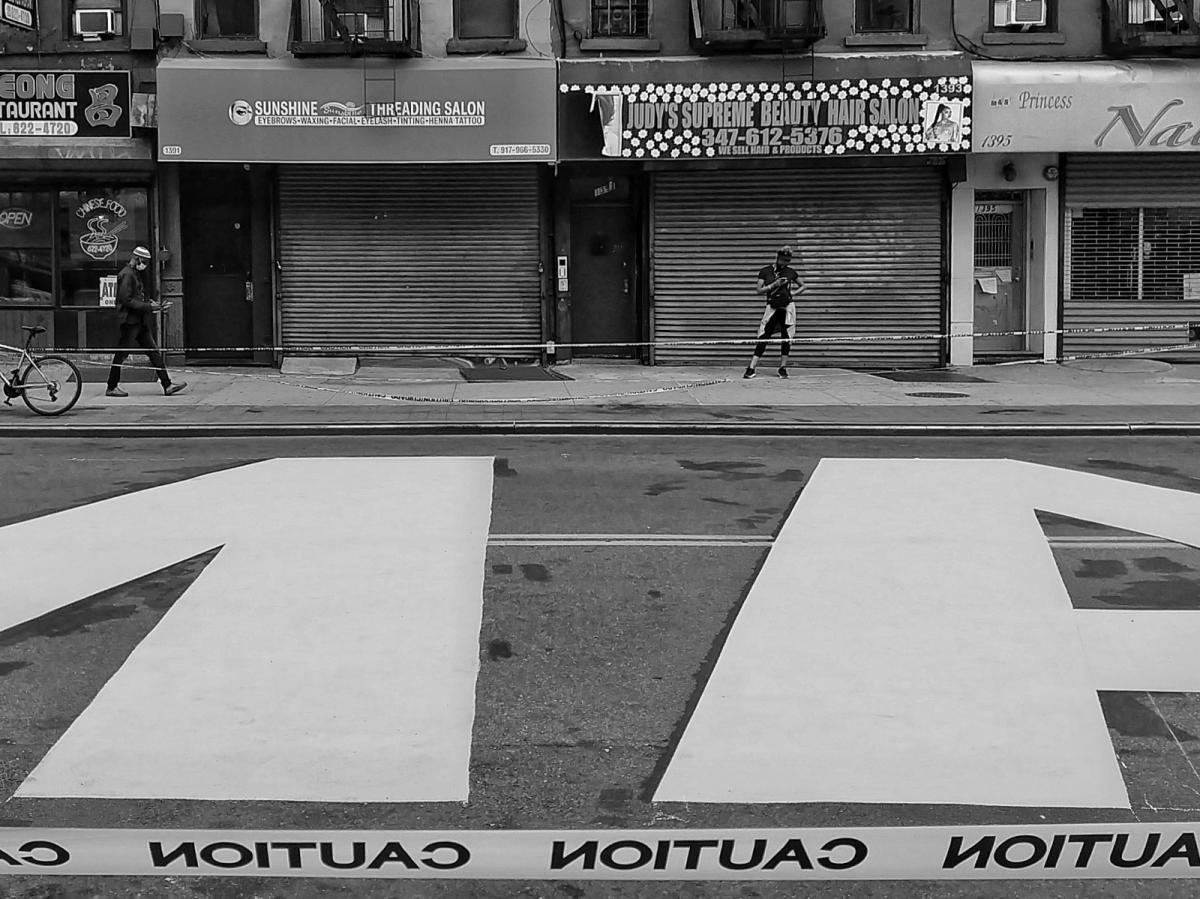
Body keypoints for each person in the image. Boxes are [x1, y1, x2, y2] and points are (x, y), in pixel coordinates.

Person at [105, 246, 186, 397]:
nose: (145, 265)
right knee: (121, 354)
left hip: (138, 321)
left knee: (153, 352)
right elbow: (127, 300)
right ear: (136, 258)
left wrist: (152, 304)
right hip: (130, 321)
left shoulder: (134, 273)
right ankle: (111, 386)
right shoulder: (127, 274)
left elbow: (137, 296)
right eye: (144, 261)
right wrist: (149, 306)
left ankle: (167, 385)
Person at [744, 245, 805, 379]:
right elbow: (758, 290)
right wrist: (774, 285)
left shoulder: (791, 272)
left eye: (788, 260)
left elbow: (804, 285)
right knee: (763, 335)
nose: (785, 263)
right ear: (777, 258)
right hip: (772, 307)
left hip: (787, 307)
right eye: (783, 260)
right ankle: (751, 367)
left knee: (787, 337)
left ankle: (782, 368)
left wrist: (793, 293)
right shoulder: (766, 271)